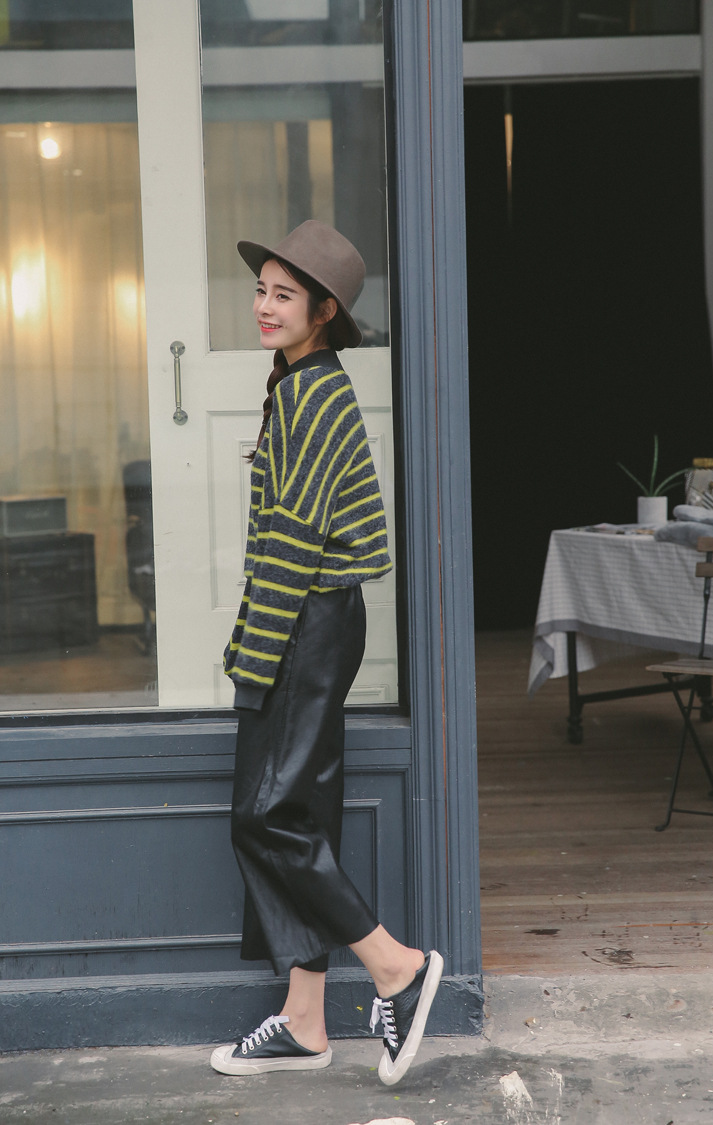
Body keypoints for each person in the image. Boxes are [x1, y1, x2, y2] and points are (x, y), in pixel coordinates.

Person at [210, 220, 443, 1087]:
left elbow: (291, 543)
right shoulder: (299, 381)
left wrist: (252, 654)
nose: (264, 306)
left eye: (284, 294)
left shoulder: (314, 395)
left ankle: (397, 968)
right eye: (261, 289)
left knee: (265, 814)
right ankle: (306, 1020)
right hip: (315, 618)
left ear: (324, 311)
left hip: (305, 619)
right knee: (300, 808)